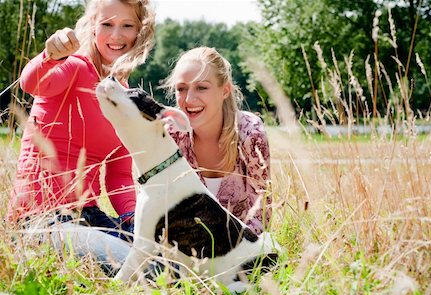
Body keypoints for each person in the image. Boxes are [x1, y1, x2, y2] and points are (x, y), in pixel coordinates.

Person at [9, 0, 155, 244]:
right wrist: (50, 56)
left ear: (140, 32)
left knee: (159, 255)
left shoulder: (125, 97)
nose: (116, 35)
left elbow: (119, 176)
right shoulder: (73, 66)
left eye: (127, 25)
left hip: (88, 215)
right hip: (40, 218)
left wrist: (134, 219)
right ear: (93, 27)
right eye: (107, 24)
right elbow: (32, 83)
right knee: (137, 267)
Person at [162, 47, 272, 235]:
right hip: (184, 252)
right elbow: (158, 205)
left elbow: (262, 214)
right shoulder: (171, 133)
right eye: (181, 89)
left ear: (225, 90)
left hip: (241, 251)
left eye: (201, 87)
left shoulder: (250, 133)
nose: (189, 99)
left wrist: (227, 252)